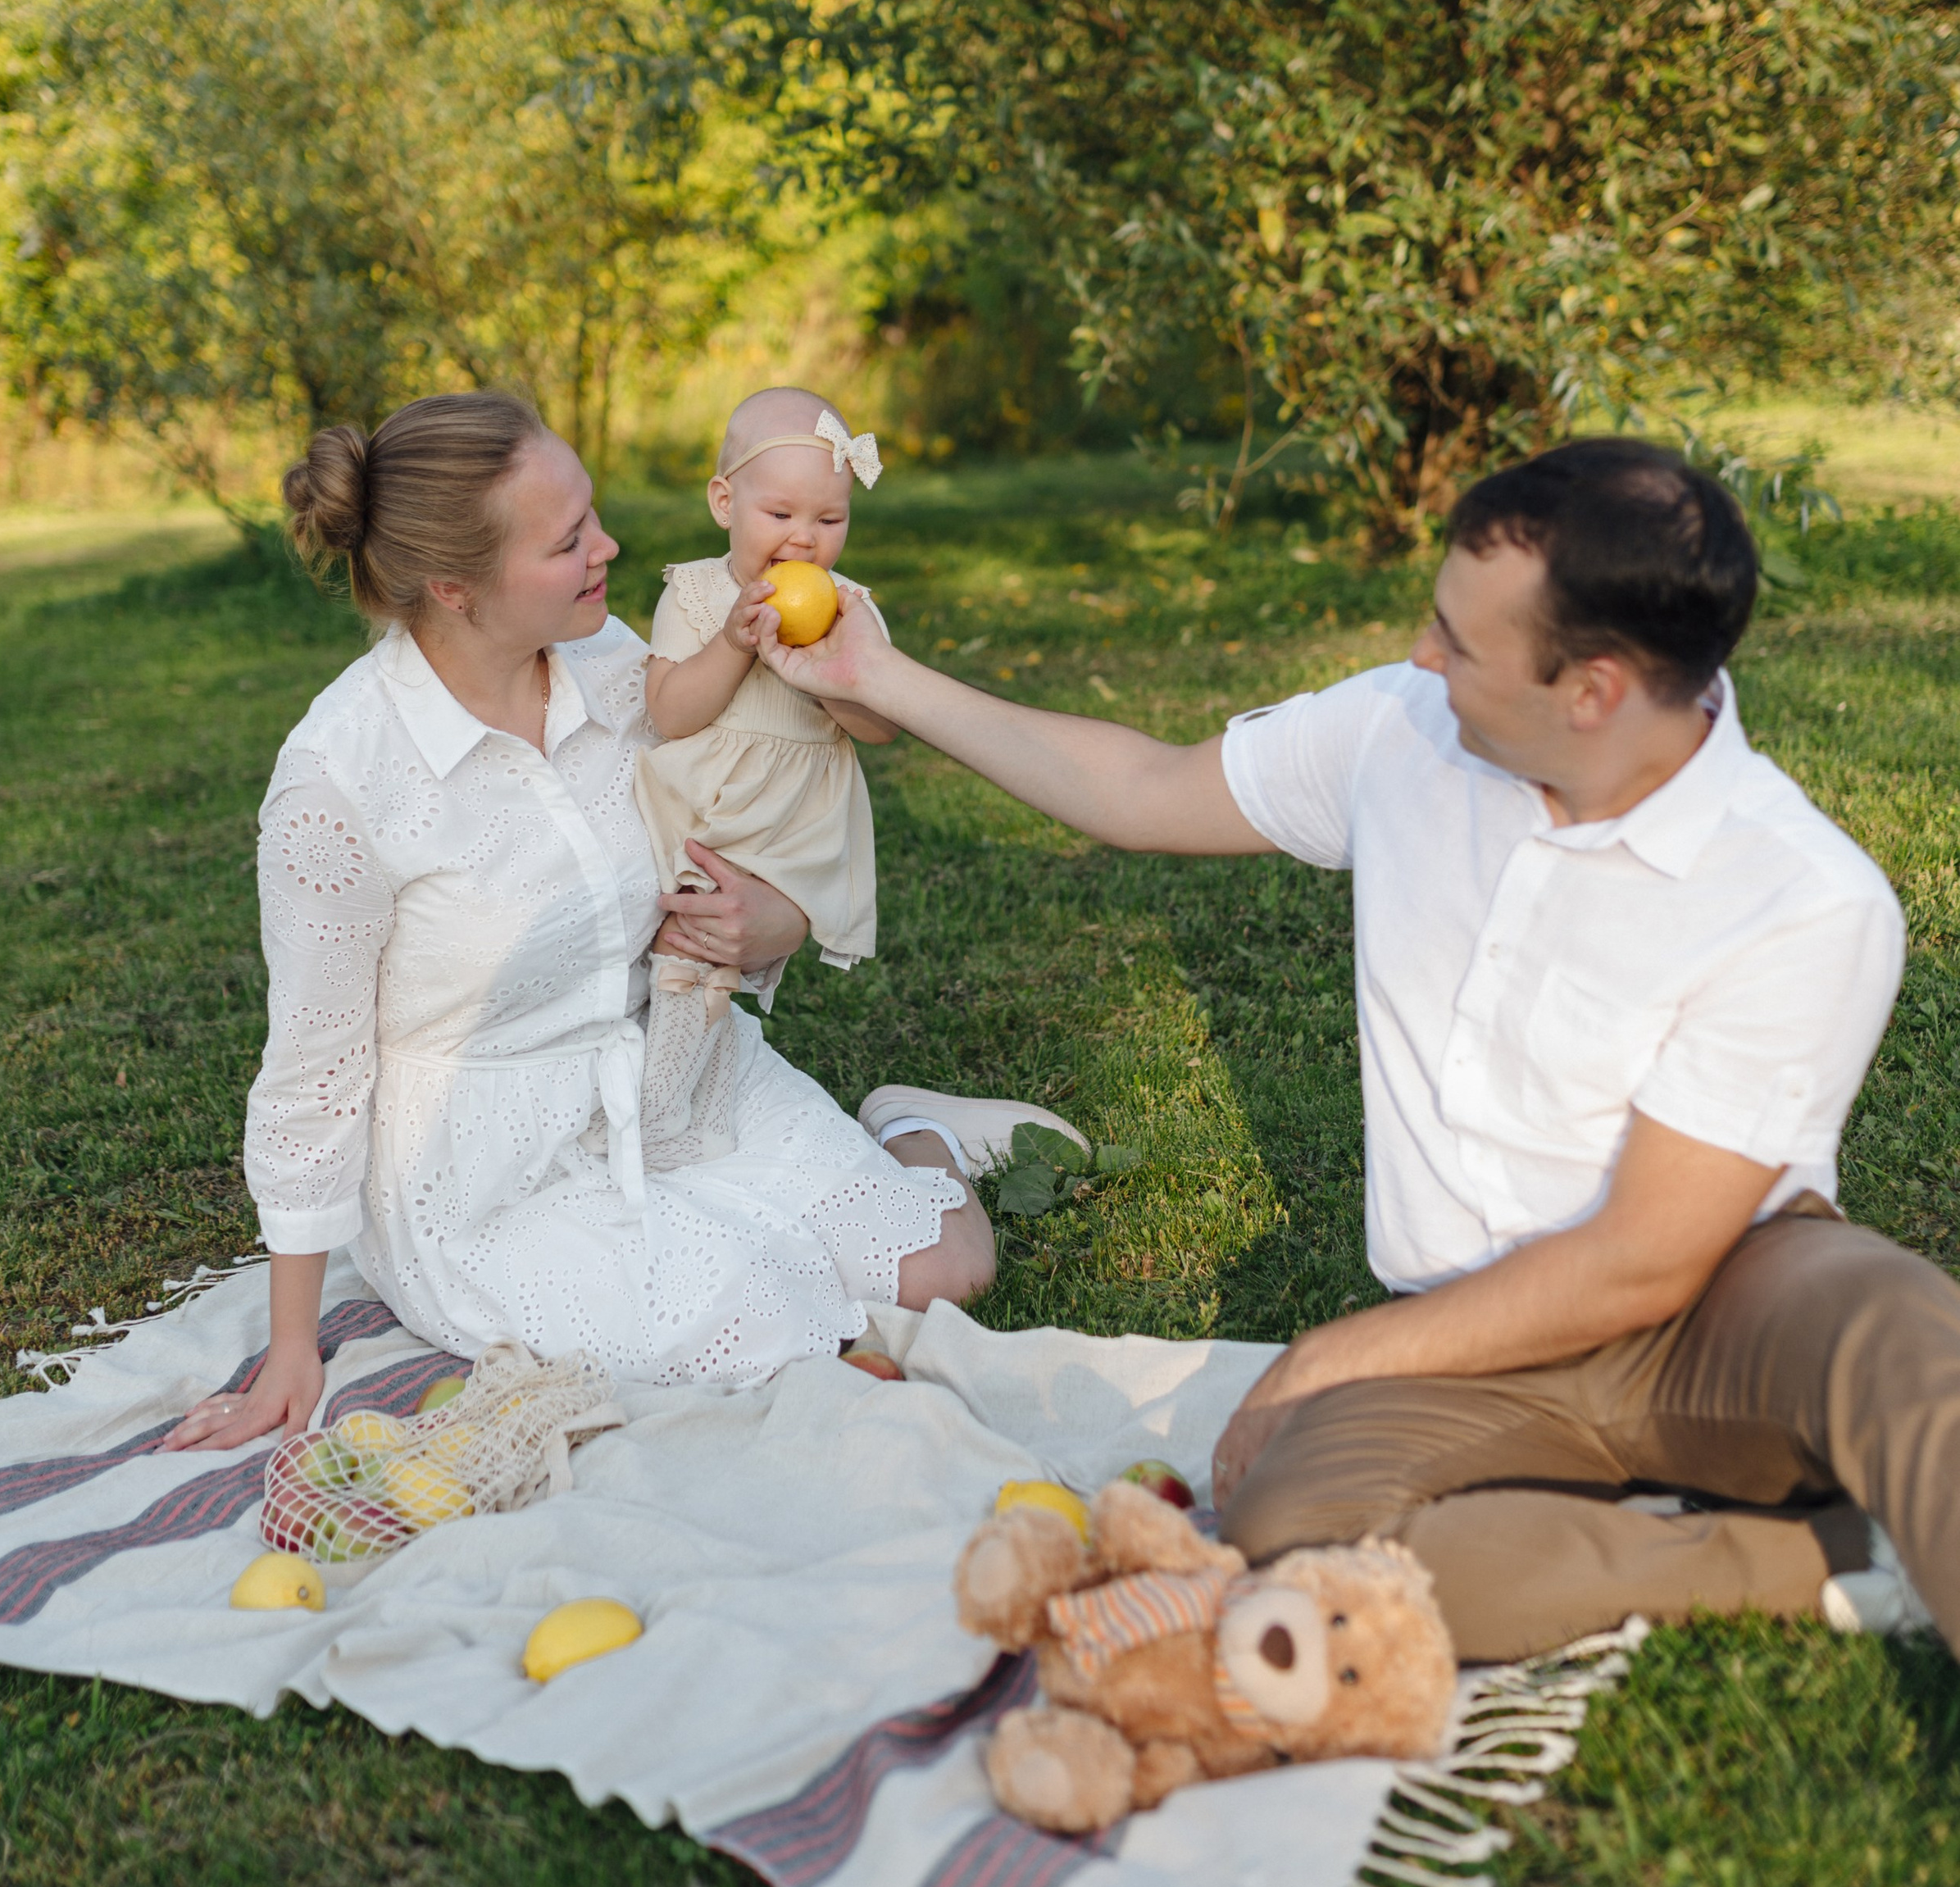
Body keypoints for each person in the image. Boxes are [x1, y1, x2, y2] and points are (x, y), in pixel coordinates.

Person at [756, 437, 1960, 1661]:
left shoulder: (1804, 896)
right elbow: (1143, 788)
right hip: (1471, 1350)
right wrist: (879, 676)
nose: (1423, 657)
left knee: (1903, 1335)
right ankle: (1809, 1558)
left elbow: (1647, 1264)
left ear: (1591, 689)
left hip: (1726, 1305)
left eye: (1459, 641)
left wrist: (1330, 1358)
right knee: (1296, 1538)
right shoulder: (1404, 731)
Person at [165, 390, 1053, 1455]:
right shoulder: (343, 782)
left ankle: (913, 1128)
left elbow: (732, 823)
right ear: (455, 589)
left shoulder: (610, 661)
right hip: (495, 1175)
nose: (610, 546)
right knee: (798, 1327)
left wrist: (777, 921)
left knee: (948, 1276)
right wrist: (294, 1345)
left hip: (673, 1066)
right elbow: (312, 1069)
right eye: (569, 538)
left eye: (593, 514)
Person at [627, 387, 903, 1168]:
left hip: (787, 828)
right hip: (708, 811)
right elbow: (671, 710)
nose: (805, 542)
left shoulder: (849, 612)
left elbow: (882, 728)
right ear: (725, 501)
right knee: (693, 963)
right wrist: (735, 645)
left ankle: (663, 1120)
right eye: (780, 516)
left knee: (702, 959)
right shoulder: (696, 594)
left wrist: (828, 679)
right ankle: (683, 1113)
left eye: (830, 520)